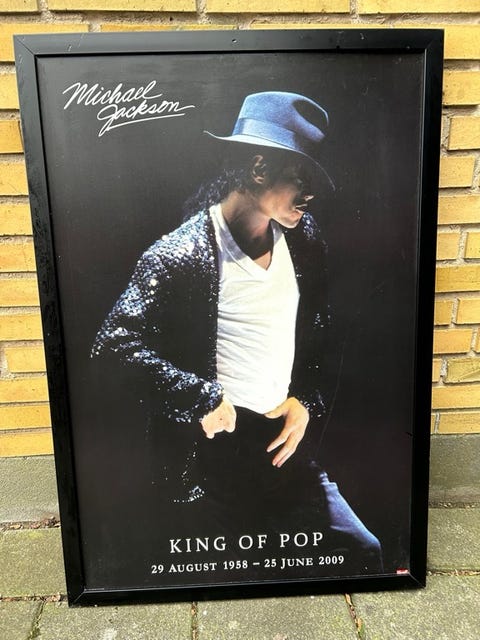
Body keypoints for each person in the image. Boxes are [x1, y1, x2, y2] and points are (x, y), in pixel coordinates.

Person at [92, 91, 383, 575]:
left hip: (282, 449)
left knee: (364, 552)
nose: (310, 194)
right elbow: (112, 349)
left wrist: (306, 402)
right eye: (301, 176)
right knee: (236, 578)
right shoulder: (179, 255)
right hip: (210, 460)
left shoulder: (304, 240)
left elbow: (320, 332)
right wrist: (200, 399)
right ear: (259, 168)